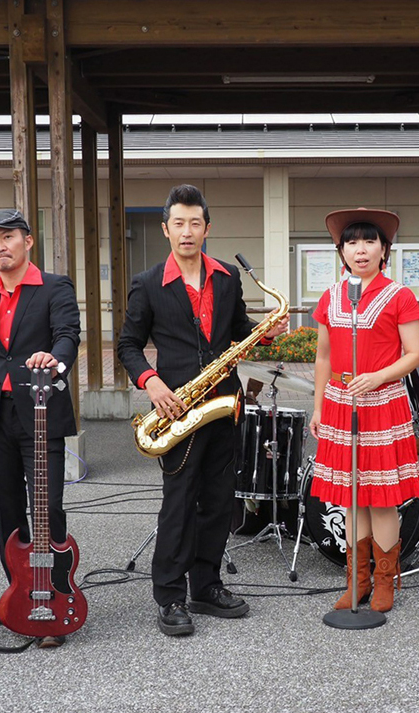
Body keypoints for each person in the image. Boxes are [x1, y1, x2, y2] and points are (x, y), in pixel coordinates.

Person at [117, 184, 287, 637]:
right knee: (179, 503)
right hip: (177, 406)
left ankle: (206, 586)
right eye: (179, 223)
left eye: (195, 223)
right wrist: (151, 382)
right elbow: (128, 345)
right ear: (166, 229)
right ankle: (170, 595)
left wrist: (265, 331)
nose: (187, 231)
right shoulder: (148, 283)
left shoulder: (228, 277)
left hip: (224, 403)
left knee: (218, 501)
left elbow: (238, 329)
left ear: (207, 228)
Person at [0, 209, 80, 649]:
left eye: (8, 237)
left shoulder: (54, 287)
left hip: (41, 411)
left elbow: (68, 335)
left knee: (47, 509)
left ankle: (54, 599)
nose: (0, 246)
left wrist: (55, 361)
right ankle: (20, 599)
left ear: (27, 241)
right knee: (8, 514)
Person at [308, 207, 419, 613]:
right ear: (341, 251)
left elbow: (415, 353)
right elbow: (323, 357)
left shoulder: (400, 296)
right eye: (352, 242)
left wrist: (377, 377)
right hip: (340, 403)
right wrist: (318, 407)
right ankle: (357, 581)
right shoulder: (331, 296)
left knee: (381, 498)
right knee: (352, 497)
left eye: (369, 241)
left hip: (383, 403)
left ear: (384, 249)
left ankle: (384, 582)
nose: (360, 250)